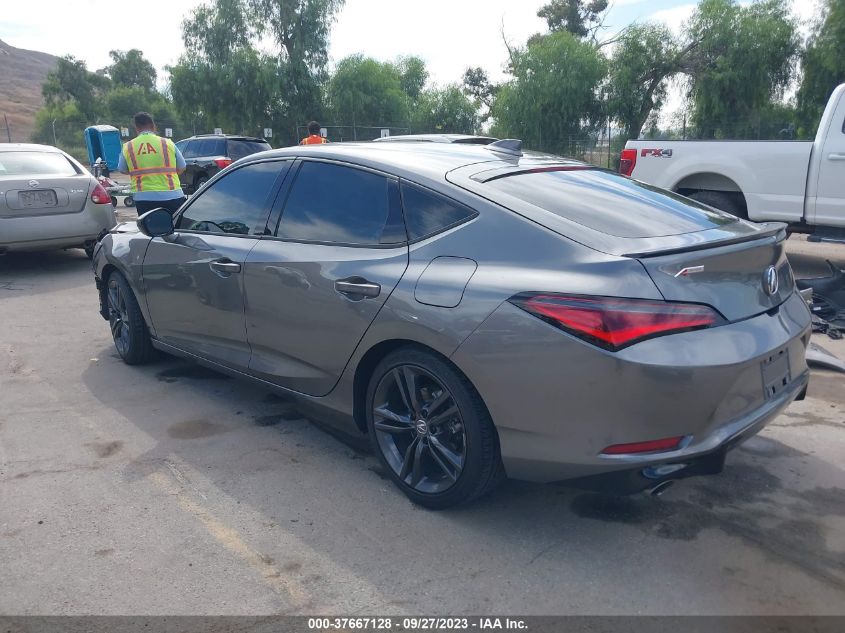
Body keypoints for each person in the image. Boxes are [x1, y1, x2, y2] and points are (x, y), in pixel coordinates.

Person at [118, 112, 187, 216]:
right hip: (172, 195)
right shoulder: (167, 143)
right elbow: (182, 167)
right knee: (176, 225)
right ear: (153, 126)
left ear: (137, 128)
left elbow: (122, 169)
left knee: (149, 225)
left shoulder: (128, 146)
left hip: (143, 198)